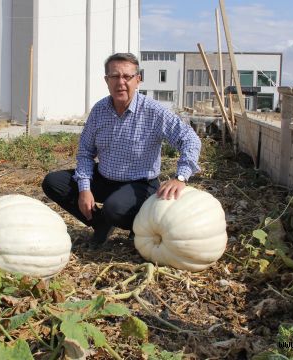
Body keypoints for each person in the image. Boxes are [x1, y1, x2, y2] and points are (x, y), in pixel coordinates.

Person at [42, 52, 201, 248]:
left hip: (140, 184)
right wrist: (84, 188)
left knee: (114, 208)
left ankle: (140, 228)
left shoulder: (154, 111)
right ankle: (100, 223)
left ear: (138, 80)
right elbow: (85, 152)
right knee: (53, 182)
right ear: (106, 80)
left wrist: (181, 177)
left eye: (127, 77)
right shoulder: (99, 110)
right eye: (114, 76)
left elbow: (190, 140)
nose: (121, 82)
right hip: (105, 178)